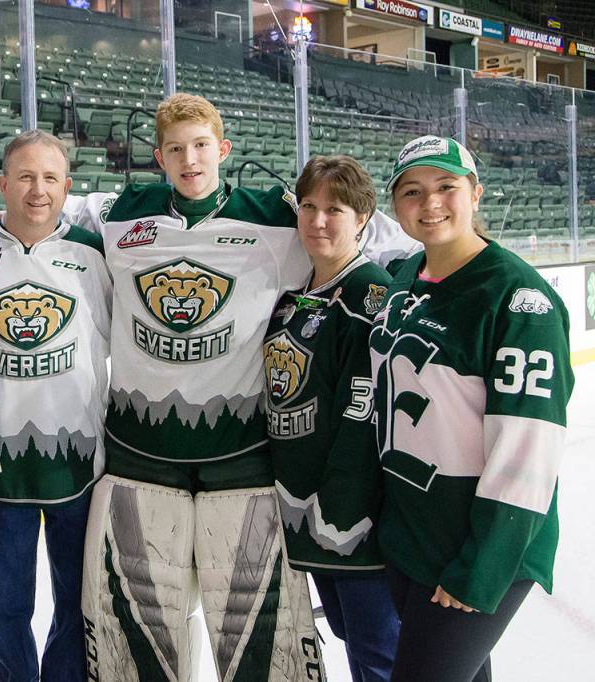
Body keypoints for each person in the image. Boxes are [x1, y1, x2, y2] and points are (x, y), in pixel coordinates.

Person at [0, 94, 414, 680]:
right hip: (139, 460)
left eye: (202, 146)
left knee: (250, 635)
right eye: (176, 149)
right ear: (159, 156)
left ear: (224, 149)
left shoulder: (275, 217)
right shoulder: (121, 212)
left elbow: (352, 230)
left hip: (243, 463)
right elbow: (49, 207)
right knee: (142, 633)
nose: (190, 160)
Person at [371, 135, 573, 681]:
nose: (430, 203)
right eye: (412, 191)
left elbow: (528, 450)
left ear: (475, 193)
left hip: (481, 546)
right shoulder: (406, 278)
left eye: (446, 187)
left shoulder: (518, 299)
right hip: (414, 534)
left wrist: (482, 569)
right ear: (396, 205)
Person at [0, 130, 112, 681]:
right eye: (25, 177)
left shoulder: (94, 253)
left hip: (79, 464)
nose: (37, 190)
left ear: (67, 187)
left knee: (77, 604)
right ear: (3, 184)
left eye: (50, 178)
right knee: (5, 609)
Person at [264, 155, 399, 682]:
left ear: (363, 217)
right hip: (304, 511)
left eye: (335, 209)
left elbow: (362, 418)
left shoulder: (371, 294)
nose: (318, 220)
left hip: (349, 518)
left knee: (378, 652)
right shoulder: (297, 295)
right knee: (350, 636)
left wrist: (340, 508)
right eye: (309, 206)